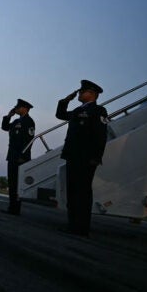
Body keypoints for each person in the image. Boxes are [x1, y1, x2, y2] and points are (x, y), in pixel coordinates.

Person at [56, 79, 109, 236]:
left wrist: (96, 156)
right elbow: (60, 114)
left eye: (81, 91)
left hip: (86, 158)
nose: (79, 93)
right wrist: (65, 101)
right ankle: (73, 225)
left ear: (91, 94)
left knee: (83, 193)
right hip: (72, 155)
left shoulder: (98, 110)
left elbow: (101, 136)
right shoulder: (78, 110)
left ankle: (82, 227)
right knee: (72, 192)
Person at [0, 98, 35, 215]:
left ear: (25, 108)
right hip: (12, 155)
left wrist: (23, 156)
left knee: (17, 183)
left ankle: (15, 209)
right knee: (12, 182)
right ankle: (12, 207)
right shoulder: (16, 122)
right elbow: (5, 127)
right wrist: (8, 116)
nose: (16, 109)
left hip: (21, 157)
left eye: (18, 107)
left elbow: (29, 140)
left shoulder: (29, 122)